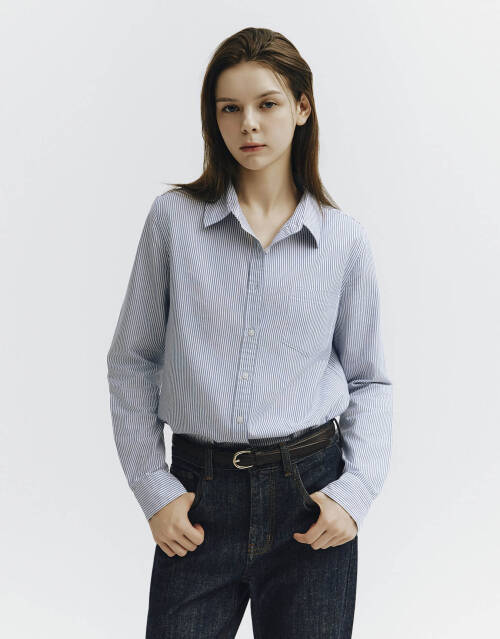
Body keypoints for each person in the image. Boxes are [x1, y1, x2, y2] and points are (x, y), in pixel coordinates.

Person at [106, 26, 393, 639]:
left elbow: (370, 380)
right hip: (199, 499)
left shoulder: (342, 241)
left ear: (302, 107)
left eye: (267, 104)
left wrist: (355, 492)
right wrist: (154, 486)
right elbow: (133, 359)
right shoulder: (173, 222)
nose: (249, 125)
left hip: (310, 499)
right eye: (229, 109)